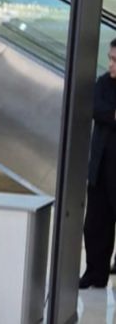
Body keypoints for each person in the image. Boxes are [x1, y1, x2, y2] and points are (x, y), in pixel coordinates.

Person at [80, 38, 116, 289]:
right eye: (110, 58)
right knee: (95, 225)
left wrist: (110, 115)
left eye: (115, 60)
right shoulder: (102, 83)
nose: (111, 63)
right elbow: (96, 109)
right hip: (101, 170)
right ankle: (95, 274)